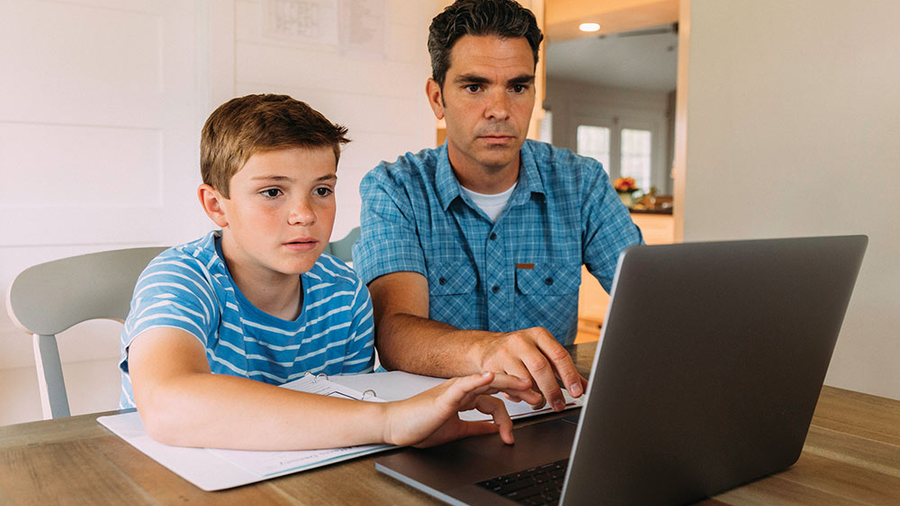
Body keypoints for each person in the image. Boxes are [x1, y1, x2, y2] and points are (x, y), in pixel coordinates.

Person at [117, 94, 533, 451]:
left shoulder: (344, 291)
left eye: (322, 190)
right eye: (272, 192)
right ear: (216, 205)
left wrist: (423, 410)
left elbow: (350, 401)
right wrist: (389, 422)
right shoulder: (180, 278)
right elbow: (167, 402)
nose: (304, 215)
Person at [352, 0, 642, 413]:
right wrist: (487, 351)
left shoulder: (581, 182)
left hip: (550, 412)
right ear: (437, 98)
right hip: (434, 419)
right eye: (474, 87)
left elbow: (648, 302)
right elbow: (395, 332)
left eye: (518, 87)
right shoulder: (397, 188)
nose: (501, 110)